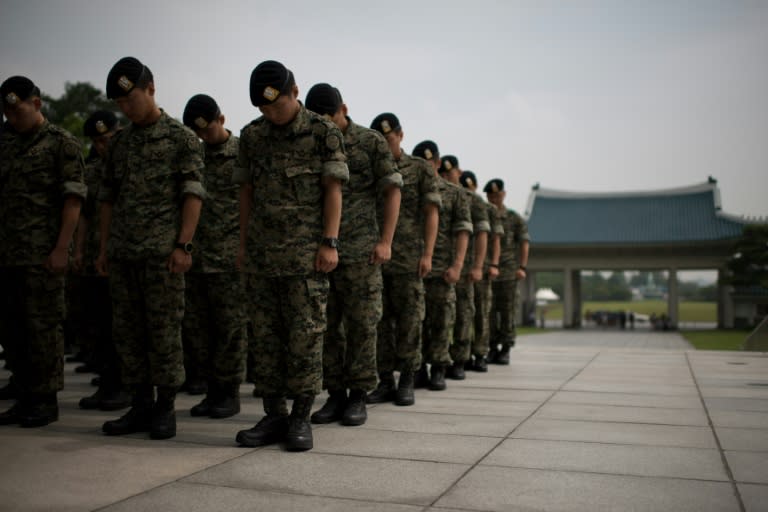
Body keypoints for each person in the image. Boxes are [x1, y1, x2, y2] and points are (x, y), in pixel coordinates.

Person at [234, 61, 348, 452]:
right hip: (263, 257)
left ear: (294, 93)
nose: (270, 114)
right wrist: (243, 244)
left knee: (305, 337)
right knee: (265, 338)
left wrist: (329, 242)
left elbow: (334, 189)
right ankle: (274, 414)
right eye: (263, 109)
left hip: (305, 259)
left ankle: (301, 417)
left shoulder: (323, 133)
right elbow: (245, 193)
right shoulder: (252, 136)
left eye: (276, 105)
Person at [97, 57, 206, 440]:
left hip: (163, 256)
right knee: (128, 332)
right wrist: (104, 247)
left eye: (131, 99)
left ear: (151, 89)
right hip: (124, 253)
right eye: (120, 103)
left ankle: (165, 407)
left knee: (163, 332)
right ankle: (140, 403)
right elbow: (107, 197)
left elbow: (193, 194)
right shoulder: (120, 144)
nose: (126, 108)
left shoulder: (181, 139)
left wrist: (184, 245)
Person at [304, 84, 402, 425]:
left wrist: (385, 241)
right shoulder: (313, 139)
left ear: (343, 109)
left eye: (329, 117)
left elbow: (392, 191)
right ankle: (335, 394)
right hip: (321, 251)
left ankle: (359, 394)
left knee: (362, 324)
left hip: (362, 251)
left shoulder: (371, 142)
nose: (325, 124)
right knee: (328, 327)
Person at [0, 75, 86, 427]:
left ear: (36, 103)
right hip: (7, 254)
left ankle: (45, 400)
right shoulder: (4, 142)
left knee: (44, 328)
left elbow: (73, 199)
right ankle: (22, 394)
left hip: (43, 255)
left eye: (17, 111)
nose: (11, 119)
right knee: (12, 328)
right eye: (6, 114)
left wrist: (62, 248)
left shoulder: (61, 143)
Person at [181, 94, 247, 419]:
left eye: (207, 129)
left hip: (230, 259)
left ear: (221, 118)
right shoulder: (193, 156)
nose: (204, 137)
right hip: (197, 257)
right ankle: (210, 391)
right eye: (198, 133)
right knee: (198, 329)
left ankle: (229, 393)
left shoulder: (243, 154)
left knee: (229, 329)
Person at [367, 119, 440, 407]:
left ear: (400, 135)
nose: (387, 144)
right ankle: (385, 380)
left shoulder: (420, 169)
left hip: (409, 257)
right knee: (380, 322)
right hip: (375, 257)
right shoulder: (371, 167)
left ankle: (408, 378)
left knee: (410, 320)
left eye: (390, 138)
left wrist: (428, 254)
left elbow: (432, 212)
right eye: (381, 139)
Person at [75, 110, 130, 412]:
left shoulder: (131, 163)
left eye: (106, 139)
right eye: (96, 142)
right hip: (99, 257)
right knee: (100, 323)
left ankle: (125, 386)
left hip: (125, 254)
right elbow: (85, 214)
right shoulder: (94, 171)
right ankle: (109, 383)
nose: (101, 146)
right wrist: (80, 250)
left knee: (123, 326)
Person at [413, 143, 472, 391]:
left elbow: (462, 232)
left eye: (430, 163)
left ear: (437, 163)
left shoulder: (454, 193)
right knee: (414, 322)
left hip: (441, 268)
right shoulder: (410, 190)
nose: (426, 167)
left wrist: (457, 266)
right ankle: (416, 369)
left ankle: (438, 367)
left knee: (440, 321)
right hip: (413, 266)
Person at [439, 158, 489, 380]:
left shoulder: (472, 200)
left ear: (458, 172)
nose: (449, 176)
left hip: (465, 267)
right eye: (444, 172)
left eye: (452, 172)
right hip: (441, 264)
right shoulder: (440, 194)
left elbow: (481, 235)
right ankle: (442, 357)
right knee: (441, 316)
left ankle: (460, 358)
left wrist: (478, 266)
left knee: (464, 313)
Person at [459, 170, 502, 372]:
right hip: (461, 266)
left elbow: (495, 239)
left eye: (470, 188)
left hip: (481, 268)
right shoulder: (459, 202)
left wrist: (493, 264)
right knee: (464, 312)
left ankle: (480, 353)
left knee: (481, 311)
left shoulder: (487, 209)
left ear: (475, 187)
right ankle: (463, 353)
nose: (467, 192)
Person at [484, 179, 530, 365]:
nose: (494, 199)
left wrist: (522, 267)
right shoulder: (483, 214)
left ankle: (506, 348)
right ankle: (492, 347)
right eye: (490, 196)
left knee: (507, 311)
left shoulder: (514, 218)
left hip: (509, 272)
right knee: (489, 312)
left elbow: (524, 243)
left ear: (503, 194)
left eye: (497, 195)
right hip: (488, 271)